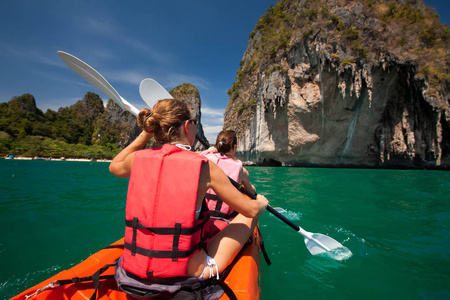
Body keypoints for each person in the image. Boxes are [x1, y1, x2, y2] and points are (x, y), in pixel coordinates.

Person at [109, 99, 268, 298]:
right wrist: (261, 203)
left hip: (134, 272)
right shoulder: (203, 167)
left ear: (154, 128)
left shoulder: (136, 159)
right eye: (194, 121)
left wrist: (145, 134)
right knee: (249, 216)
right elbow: (249, 210)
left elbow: (114, 165)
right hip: (188, 273)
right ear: (187, 126)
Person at [200, 130, 256, 235]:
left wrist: (210, 150)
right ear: (234, 147)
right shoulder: (241, 170)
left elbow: (204, 153)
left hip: (204, 219)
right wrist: (254, 190)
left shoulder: (204, 158)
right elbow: (251, 192)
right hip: (226, 222)